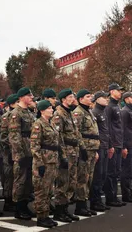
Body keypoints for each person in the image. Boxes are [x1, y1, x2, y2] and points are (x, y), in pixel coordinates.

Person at [31, 100, 60, 228]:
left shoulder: (51, 123)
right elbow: (34, 146)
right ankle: (41, 216)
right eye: (49, 108)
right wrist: (39, 163)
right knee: (41, 190)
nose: (52, 110)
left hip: (52, 160)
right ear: (42, 110)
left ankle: (46, 215)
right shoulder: (38, 124)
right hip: (43, 161)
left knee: (49, 190)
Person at [52, 89, 80, 222]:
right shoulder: (59, 115)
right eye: (70, 97)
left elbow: (76, 133)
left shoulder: (70, 114)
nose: (73, 98)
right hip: (65, 153)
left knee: (71, 182)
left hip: (73, 152)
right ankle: (59, 211)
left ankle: (65, 209)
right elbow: (57, 137)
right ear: (63, 99)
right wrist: (62, 156)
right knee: (62, 183)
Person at [8, 87, 36, 220]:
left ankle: (25, 206)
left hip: (30, 151)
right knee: (20, 181)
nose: (31, 98)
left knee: (29, 182)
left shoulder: (29, 113)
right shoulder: (16, 113)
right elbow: (14, 136)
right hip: (22, 153)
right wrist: (20, 155)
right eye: (29, 96)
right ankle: (18, 208)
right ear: (22, 97)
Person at [73, 89, 100, 216]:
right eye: (88, 96)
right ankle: (80, 205)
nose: (91, 98)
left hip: (92, 149)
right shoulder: (78, 113)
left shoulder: (88, 111)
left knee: (89, 177)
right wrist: (82, 149)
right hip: (85, 150)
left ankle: (85, 203)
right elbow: (76, 133)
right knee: (82, 178)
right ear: (80, 99)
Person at [103, 83, 124, 207]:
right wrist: (110, 144)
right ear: (111, 92)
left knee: (116, 172)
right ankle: (110, 198)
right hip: (113, 143)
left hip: (119, 142)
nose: (120, 92)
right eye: (118, 90)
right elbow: (108, 128)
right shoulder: (109, 107)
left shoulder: (117, 106)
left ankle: (114, 196)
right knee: (111, 172)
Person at [90, 91, 110, 211]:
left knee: (103, 174)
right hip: (99, 146)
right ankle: (94, 201)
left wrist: (110, 145)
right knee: (97, 176)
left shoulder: (103, 112)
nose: (106, 99)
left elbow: (106, 130)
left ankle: (98, 200)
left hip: (105, 145)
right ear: (97, 99)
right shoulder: (95, 112)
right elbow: (95, 132)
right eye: (103, 97)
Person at [0, 94, 19, 212]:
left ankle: (15, 199)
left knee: (17, 177)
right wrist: (11, 147)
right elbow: (4, 136)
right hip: (9, 152)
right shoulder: (6, 117)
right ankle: (8, 201)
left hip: (17, 152)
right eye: (16, 102)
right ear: (12, 104)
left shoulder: (19, 115)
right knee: (9, 177)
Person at [120, 92, 132, 203]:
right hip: (128, 145)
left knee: (131, 170)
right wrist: (124, 146)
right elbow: (122, 130)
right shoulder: (124, 111)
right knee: (126, 171)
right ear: (127, 99)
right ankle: (126, 194)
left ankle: (130, 193)